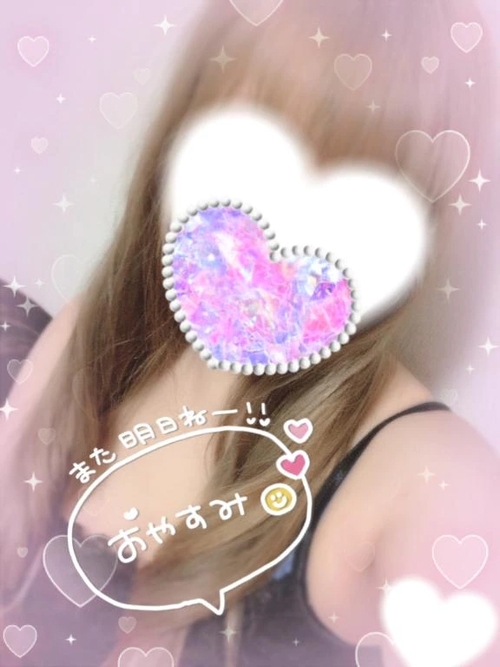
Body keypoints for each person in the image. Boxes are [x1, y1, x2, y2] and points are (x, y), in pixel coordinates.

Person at [1, 1, 499, 665]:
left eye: (359, 191)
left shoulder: (430, 477)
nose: (287, 227)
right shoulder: (98, 331)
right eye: (254, 151)